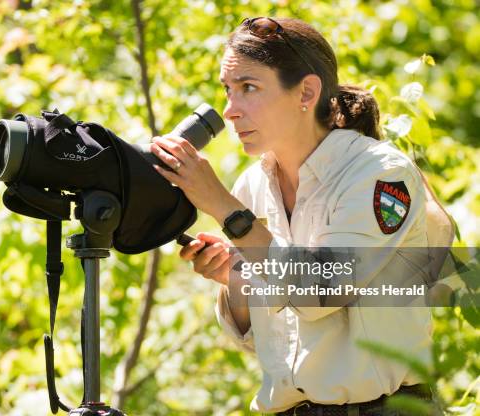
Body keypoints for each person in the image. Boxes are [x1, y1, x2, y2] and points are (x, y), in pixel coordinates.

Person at [150, 17, 452, 415]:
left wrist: (224, 208)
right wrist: (235, 277)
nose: (230, 110)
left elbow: (320, 292)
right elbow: (277, 338)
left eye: (248, 88)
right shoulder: (253, 185)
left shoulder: (379, 174)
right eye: (228, 89)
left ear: (306, 92)